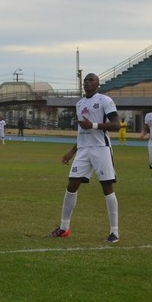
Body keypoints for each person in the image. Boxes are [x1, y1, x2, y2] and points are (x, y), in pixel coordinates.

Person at [48, 73, 120, 243]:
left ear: (97, 84)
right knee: (72, 184)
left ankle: (114, 232)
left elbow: (116, 124)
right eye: (85, 80)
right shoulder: (79, 103)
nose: (87, 83)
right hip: (83, 149)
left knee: (107, 187)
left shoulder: (105, 100)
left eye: (91, 80)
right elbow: (82, 130)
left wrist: (94, 125)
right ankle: (64, 228)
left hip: (101, 148)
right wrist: (72, 151)